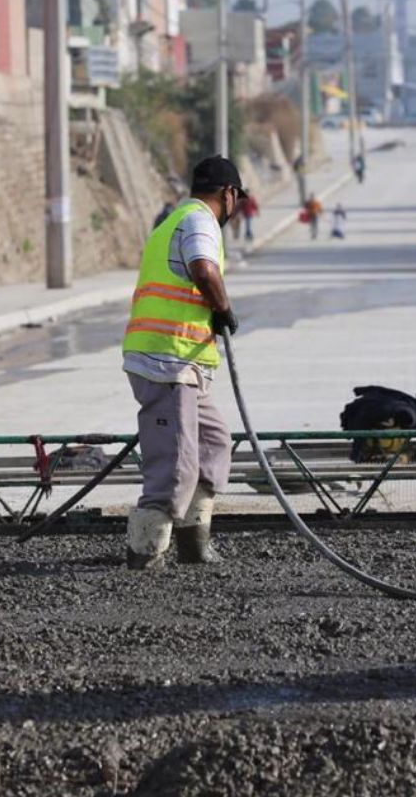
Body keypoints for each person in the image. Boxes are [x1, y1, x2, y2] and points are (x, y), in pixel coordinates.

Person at [121, 156, 244, 569]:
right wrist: (223, 307)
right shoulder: (199, 221)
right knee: (176, 460)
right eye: (236, 199)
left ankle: (194, 543)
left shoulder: (174, 219)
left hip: (185, 363)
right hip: (166, 359)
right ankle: (146, 551)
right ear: (227, 194)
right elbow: (203, 269)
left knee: (213, 443)